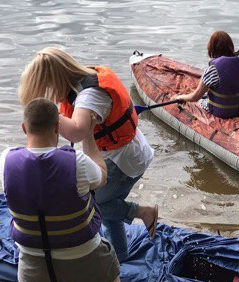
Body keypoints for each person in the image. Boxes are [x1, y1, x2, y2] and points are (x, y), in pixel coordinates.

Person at [1, 98, 129, 282]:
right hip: (81, 250)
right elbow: (102, 177)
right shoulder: (78, 162)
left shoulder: (6, 159)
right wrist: (89, 135)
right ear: (58, 128)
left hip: (33, 251)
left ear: (24, 128)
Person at [18, 48, 157, 262]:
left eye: (46, 89)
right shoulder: (80, 82)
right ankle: (119, 256)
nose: (48, 96)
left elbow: (77, 131)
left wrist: (46, 111)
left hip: (123, 160)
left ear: (56, 79)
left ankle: (143, 212)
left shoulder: (90, 95)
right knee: (110, 203)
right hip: (121, 152)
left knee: (94, 204)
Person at [173, 31, 239, 118]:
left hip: (223, 112)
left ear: (212, 48)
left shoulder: (213, 69)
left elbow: (195, 97)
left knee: (200, 101)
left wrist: (181, 97)